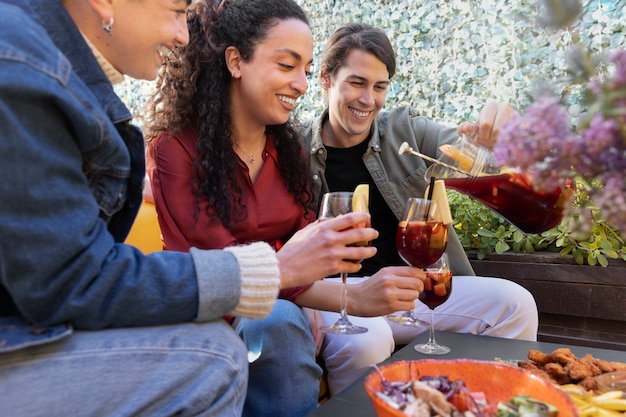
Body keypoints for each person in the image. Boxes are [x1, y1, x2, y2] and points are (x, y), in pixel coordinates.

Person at [0, 1, 378, 416]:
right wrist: (294, 275)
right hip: (230, 309)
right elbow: (77, 278)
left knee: (313, 323)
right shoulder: (25, 68)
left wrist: (307, 281)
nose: (184, 35)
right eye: (176, 10)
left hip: (260, 299)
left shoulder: (286, 148)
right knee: (220, 352)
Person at [144, 2, 431, 416]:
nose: (301, 84)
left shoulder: (287, 148)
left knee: (304, 321)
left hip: (297, 307)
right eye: (286, 65)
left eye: (307, 69)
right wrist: (351, 297)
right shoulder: (175, 149)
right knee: (277, 319)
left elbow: (311, 243)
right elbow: (221, 266)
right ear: (235, 61)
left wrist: (314, 293)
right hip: (221, 317)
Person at [299, 22, 540, 396]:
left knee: (516, 304)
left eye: (380, 87)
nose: (369, 100)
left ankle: (482, 402)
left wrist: (502, 139)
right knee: (367, 338)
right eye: (357, 83)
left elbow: (468, 152)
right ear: (326, 80)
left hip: (412, 290)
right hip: (339, 295)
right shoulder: (293, 150)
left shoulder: (407, 132)